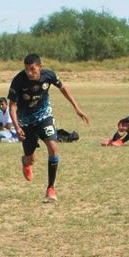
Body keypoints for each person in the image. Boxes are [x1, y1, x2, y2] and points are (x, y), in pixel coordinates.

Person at [8, 54, 89, 202]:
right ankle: (25, 163)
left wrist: (77, 108)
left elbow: (63, 88)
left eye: (32, 69)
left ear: (40, 67)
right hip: (26, 122)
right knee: (30, 159)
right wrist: (17, 127)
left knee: (53, 147)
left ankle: (50, 189)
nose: (29, 73)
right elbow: (12, 106)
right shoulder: (18, 80)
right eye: (26, 69)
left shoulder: (48, 75)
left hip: (44, 117)